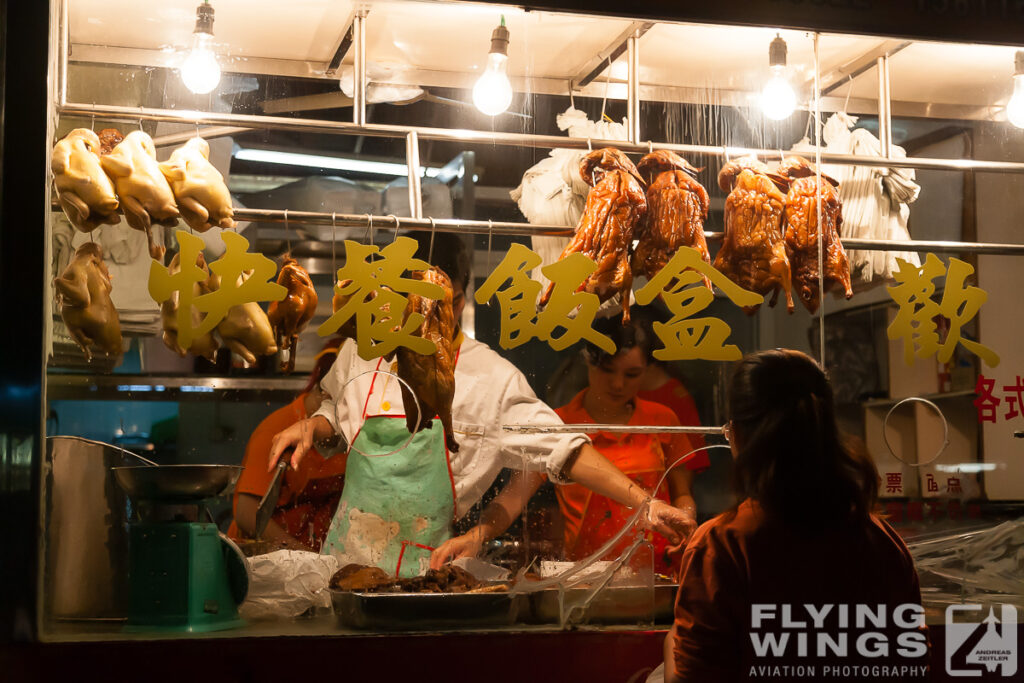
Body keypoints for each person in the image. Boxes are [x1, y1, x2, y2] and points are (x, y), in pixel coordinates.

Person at [268, 232, 695, 577]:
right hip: (344, 565)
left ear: (461, 299)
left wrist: (644, 502)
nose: (419, 314)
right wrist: (312, 426)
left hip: (429, 573)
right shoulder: (362, 350)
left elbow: (562, 448)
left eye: (437, 304)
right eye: (406, 300)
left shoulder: (493, 378)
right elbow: (336, 414)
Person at [663, 350, 928, 683]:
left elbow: (693, 678)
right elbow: (910, 664)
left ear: (742, 436)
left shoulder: (722, 545)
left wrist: (672, 638)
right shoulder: (881, 540)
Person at [229, 339, 345, 552]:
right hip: (264, 559)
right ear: (327, 394)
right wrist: (303, 556)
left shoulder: (349, 433)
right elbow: (247, 513)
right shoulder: (277, 430)